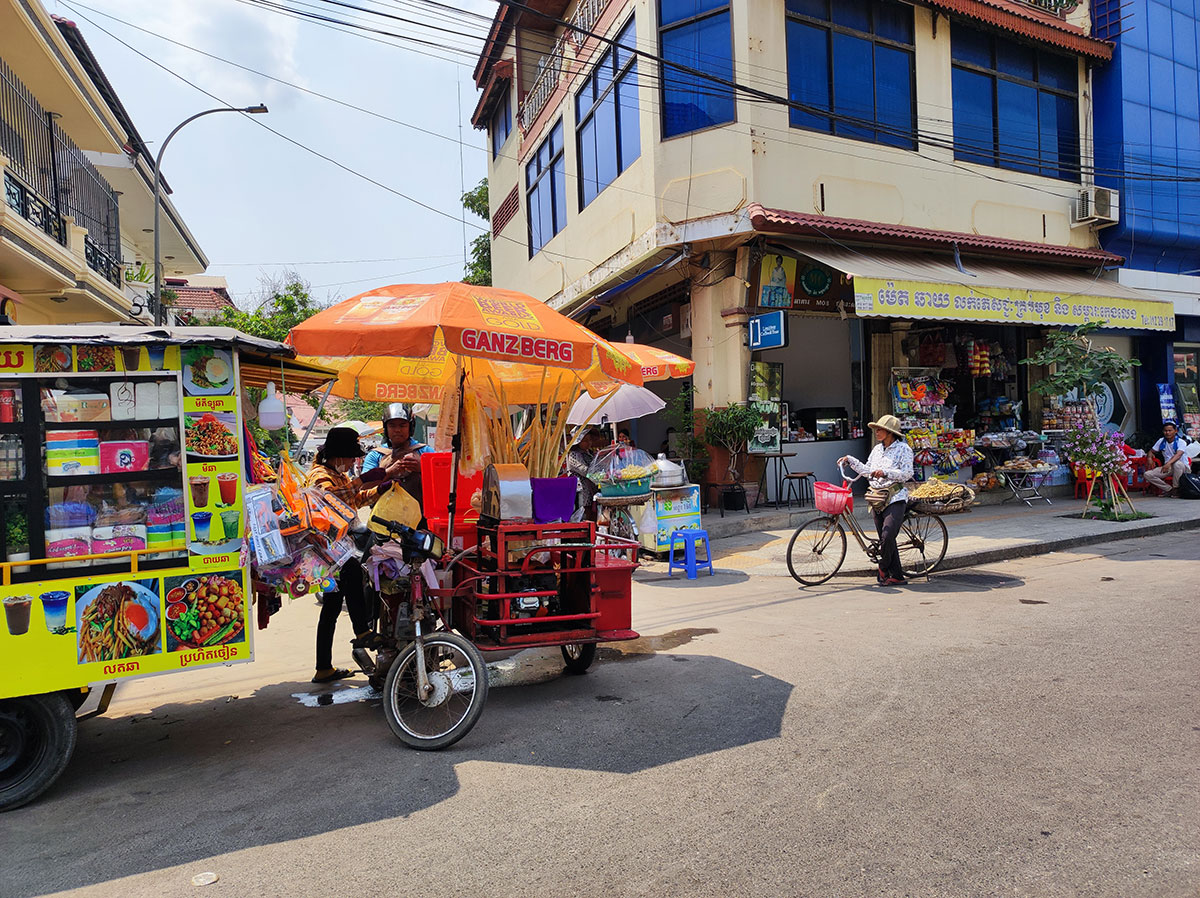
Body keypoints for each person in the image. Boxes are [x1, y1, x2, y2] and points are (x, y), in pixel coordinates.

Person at [306, 426, 394, 683]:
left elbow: (354, 500)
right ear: (339, 456)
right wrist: (361, 480)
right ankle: (363, 631)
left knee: (331, 608)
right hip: (327, 548)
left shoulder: (338, 474)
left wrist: (380, 489)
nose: (353, 462)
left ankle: (323, 668)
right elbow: (329, 497)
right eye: (351, 457)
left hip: (338, 545)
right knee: (353, 572)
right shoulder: (320, 475)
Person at [838, 414, 914, 587]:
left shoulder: (904, 449)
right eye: (877, 429)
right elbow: (867, 470)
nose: (877, 432)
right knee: (885, 539)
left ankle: (883, 566)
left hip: (895, 497)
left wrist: (886, 473)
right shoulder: (877, 449)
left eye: (880, 429)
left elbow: (907, 473)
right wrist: (850, 460)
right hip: (877, 498)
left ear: (890, 432)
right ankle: (897, 576)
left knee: (887, 535)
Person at [363, 404, 430, 509]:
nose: (397, 430)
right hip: (382, 516)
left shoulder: (425, 451)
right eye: (392, 426)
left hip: (419, 515)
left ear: (411, 427)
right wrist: (389, 472)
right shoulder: (375, 455)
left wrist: (423, 468)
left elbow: (444, 482)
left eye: (402, 425)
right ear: (386, 428)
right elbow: (364, 488)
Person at [565, 427, 605, 522]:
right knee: (585, 516)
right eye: (585, 441)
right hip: (581, 492)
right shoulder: (574, 455)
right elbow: (585, 471)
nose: (589, 443)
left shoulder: (590, 453)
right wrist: (598, 475)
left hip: (592, 490)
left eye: (590, 440)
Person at [1145, 421, 1192, 496]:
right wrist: (1149, 458)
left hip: (1182, 467)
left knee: (1177, 464)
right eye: (1165, 431)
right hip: (1168, 468)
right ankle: (1169, 489)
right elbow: (1151, 451)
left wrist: (1168, 463)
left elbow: (1178, 455)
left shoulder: (1181, 442)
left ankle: (1176, 488)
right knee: (1148, 474)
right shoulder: (1161, 441)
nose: (1167, 433)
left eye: (1170, 430)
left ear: (1175, 431)